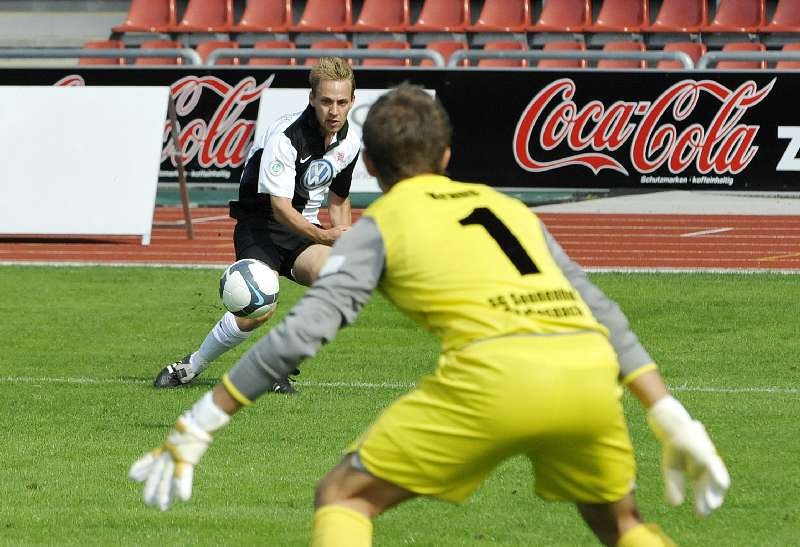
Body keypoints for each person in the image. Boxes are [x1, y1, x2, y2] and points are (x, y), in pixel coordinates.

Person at [131, 84, 730, 546]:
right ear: (447, 154)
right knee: (620, 521)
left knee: (343, 496)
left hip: (495, 379)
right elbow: (601, 310)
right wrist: (670, 414)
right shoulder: (510, 207)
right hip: (588, 377)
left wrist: (201, 422)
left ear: (366, 164)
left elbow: (305, 331)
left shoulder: (384, 225)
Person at [153, 57, 359, 393]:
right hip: (261, 225)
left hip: (302, 227)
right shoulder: (286, 137)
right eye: (325, 101)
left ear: (353, 101)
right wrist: (325, 235)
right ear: (312, 99)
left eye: (341, 102)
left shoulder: (350, 142)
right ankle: (190, 367)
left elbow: (338, 199)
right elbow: (279, 209)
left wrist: (343, 239)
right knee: (259, 309)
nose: (333, 111)